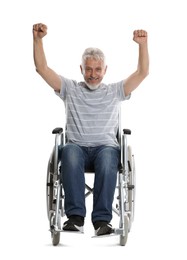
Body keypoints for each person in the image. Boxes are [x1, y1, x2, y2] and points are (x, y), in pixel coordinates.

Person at [33, 23, 149, 236]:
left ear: (105, 70)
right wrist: (38, 40)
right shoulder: (70, 89)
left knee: (107, 158)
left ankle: (102, 221)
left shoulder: (115, 91)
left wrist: (142, 45)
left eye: (97, 69)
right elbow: (42, 69)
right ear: (81, 69)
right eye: (88, 69)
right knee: (68, 151)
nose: (93, 74)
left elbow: (142, 73)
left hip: (105, 148)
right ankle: (75, 218)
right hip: (77, 148)